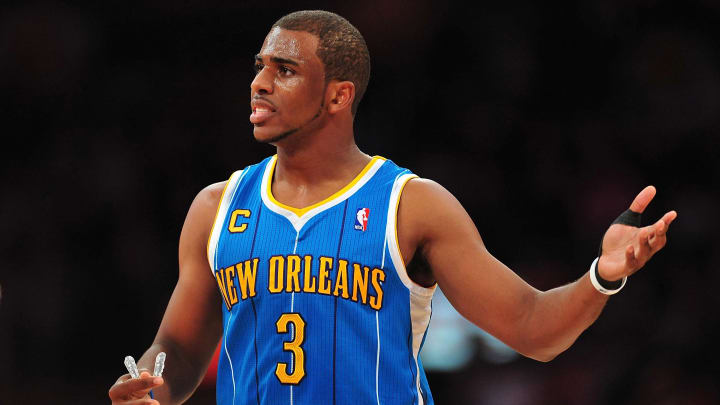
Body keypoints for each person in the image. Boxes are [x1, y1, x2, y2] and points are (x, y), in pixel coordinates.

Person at [108, 10, 677, 405]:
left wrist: (602, 277)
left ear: (339, 94)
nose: (258, 83)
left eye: (283, 70)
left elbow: (533, 328)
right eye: (259, 67)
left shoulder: (411, 206)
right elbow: (177, 353)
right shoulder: (216, 207)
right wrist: (149, 385)